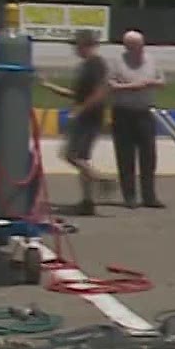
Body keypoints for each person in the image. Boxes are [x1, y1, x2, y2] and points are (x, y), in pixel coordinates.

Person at [40, 29, 115, 214]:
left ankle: (100, 180)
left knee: (72, 155)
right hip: (85, 115)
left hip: (89, 117)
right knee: (81, 157)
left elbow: (101, 91)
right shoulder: (85, 65)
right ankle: (87, 201)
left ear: (85, 45)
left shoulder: (95, 64)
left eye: (77, 45)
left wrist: (80, 110)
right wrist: (51, 87)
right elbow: (77, 94)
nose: (75, 49)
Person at [106, 29, 166, 209]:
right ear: (127, 47)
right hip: (123, 112)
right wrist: (132, 87)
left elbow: (162, 81)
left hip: (145, 112)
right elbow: (111, 85)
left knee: (148, 156)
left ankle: (149, 195)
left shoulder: (151, 60)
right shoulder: (117, 62)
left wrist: (150, 84)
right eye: (134, 47)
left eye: (141, 46)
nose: (139, 50)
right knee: (125, 156)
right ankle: (129, 196)